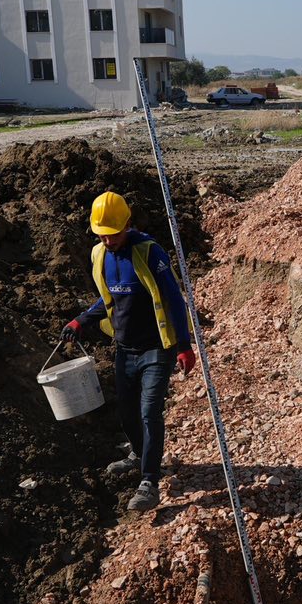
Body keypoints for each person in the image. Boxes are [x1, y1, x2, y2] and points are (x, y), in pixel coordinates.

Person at [65, 191, 196, 514]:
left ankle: (150, 482)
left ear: (127, 224)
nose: (108, 241)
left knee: (149, 412)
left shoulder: (149, 252)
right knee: (127, 412)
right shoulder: (100, 255)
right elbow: (110, 297)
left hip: (157, 348)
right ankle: (138, 453)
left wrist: (184, 344)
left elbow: (174, 299)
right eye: (102, 235)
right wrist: (82, 320)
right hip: (125, 348)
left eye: (113, 234)